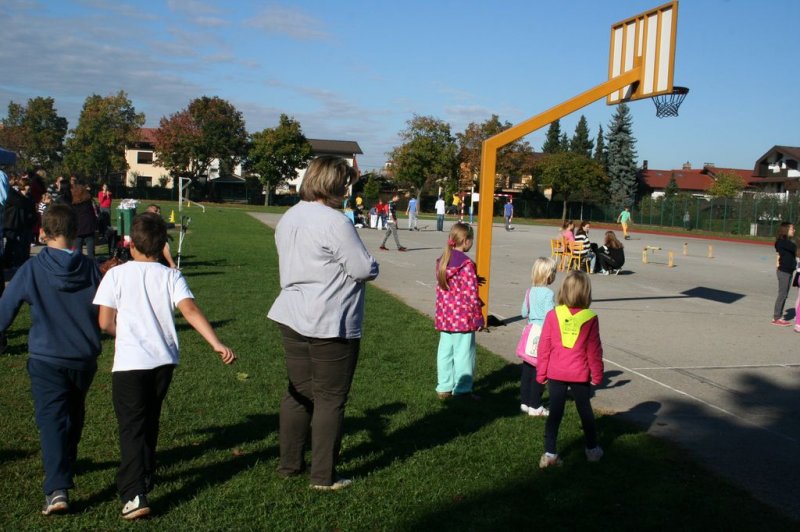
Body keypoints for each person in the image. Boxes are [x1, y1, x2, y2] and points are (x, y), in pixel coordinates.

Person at [94, 212, 236, 519]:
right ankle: (145, 473)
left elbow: (105, 322)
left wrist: (128, 331)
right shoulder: (172, 276)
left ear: (130, 244)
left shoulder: (115, 275)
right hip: (163, 361)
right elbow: (190, 310)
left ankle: (134, 494)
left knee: (131, 425)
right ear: (162, 247)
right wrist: (216, 343)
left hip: (131, 361)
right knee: (150, 418)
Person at [268, 156, 379, 491]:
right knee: (330, 397)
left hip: (292, 313)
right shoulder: (335, 222)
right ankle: (323, 475)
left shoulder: (289, 216)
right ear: (333, 183)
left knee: (298, 392)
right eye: (346, 182)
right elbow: (362, 268)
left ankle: (289, 464)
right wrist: (372, 264)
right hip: (330, 320)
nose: (349, 189)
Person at [0, 204, 101, 515]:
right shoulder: (90, 268)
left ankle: (57, 488)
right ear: (75, 234)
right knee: (72, 414)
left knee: (52, 419)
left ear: (43, 233)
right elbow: (105, 310)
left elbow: (5, 308)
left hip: (46, 356)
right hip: (83, 356)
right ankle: (63, 466)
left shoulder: (32, 269)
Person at [536, 270, 604, 468]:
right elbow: (594, 350)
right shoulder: (590, 317)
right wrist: (597, 375)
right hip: (579, 374)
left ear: (563, 290)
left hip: (555, 373)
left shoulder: (553, 314)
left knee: (555, 413)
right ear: (586, 293)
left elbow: (544, 347)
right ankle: (592, 450)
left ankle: (550, 454)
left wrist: (541, 374)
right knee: (585, 412)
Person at [434, 222, 484, 399]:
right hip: (462, 319)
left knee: (445, 352)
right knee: (464, 354)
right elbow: (471, 295)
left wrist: (474, 279)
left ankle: (444, 387)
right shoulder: (466, 263)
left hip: (445, 316)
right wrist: (478, 318)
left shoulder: (443, 261)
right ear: (467, 240)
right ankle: (462, 390)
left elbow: (453, 286)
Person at [517, 257, 556, 417]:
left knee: (527, 368)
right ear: (548, 275)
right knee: (540, 370)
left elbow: (523, 312)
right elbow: (549, 315)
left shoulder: (529, 291)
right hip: (542, 333)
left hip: (530, 329)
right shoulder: (548, 293)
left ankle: (525, 401)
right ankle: (535, 405)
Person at [773, 221, 796, 326]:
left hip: (788, 271)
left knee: (784, 295)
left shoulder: (787, 242)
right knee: (782, 295)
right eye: (792, 229)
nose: (794, 230)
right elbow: (795, 248)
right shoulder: (783, 242)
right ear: (786, 230)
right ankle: (776, 317)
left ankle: (779, 316)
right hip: (784, 272)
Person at [145, 204, 177, 268]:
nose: (158, 213)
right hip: (148, 241)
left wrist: (167, 235)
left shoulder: (155, 220)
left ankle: (167, 263)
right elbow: (165, 225)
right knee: (164, 245)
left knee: (164, 243)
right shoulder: (149, 220)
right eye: (156, 211)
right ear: (149, 211)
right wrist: (179, 225)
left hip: (154, 240)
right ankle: (172, 264)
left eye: (159, 212)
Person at [71, 184, 98, 260]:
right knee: (91, 253)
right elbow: (94, 213)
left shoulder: (73, 204)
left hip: (78, 229)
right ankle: (91, 268)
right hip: (89, 227)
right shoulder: (88, 202)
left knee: (78, 253)